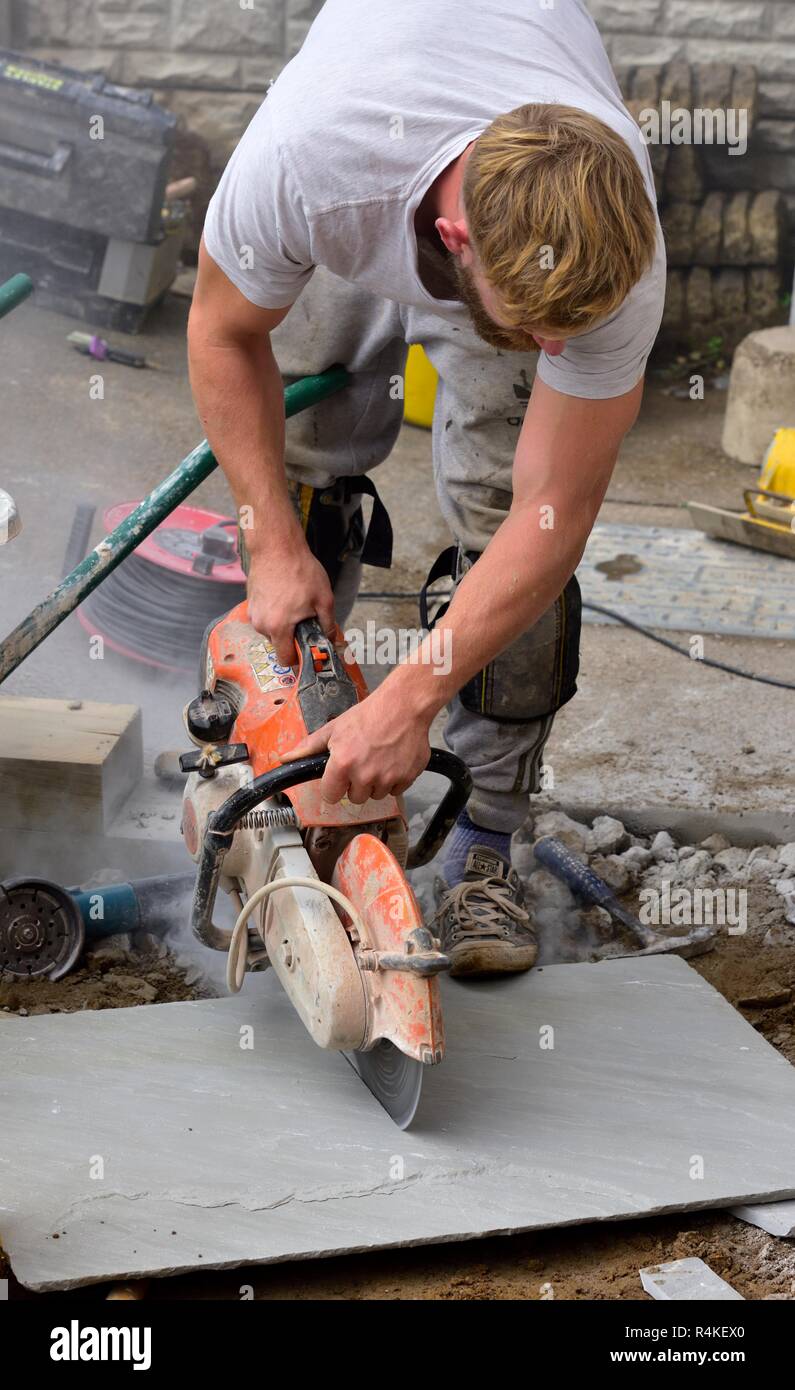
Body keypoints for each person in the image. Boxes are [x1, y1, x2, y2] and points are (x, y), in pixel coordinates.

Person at [188, 0, 666, 978]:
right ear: (455, 235)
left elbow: (554, 512)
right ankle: (289, 785)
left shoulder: (617, 252)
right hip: (370, 174)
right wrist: (270, 540)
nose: (559, 353)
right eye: (539, 325)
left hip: (482, 192)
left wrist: (417, 692)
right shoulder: (312, 168)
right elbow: (222, 334)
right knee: (303, 474)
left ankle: (484, 838)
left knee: (504, 518)